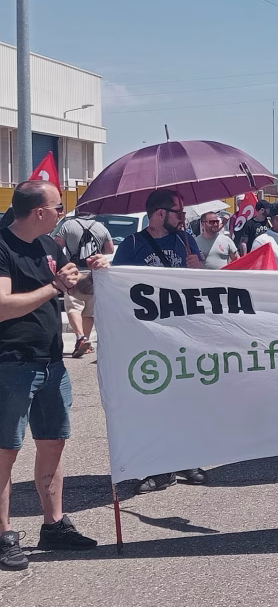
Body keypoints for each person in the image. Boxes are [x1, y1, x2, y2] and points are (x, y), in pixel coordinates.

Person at [0, 180, 103, 570]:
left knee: (53, 442)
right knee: (6, 450)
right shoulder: (2, 246)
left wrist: (96, 273)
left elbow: (70, 286)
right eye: (59, 208)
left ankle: (54, 524)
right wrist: (54, 286)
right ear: (39, 212)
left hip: (50, 361)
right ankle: (4, 534)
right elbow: (4, 306)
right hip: (11, 362)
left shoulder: (51, 247)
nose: (63, 215)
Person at [112, 188, 207, 494]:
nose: (184, 218)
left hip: (184, 332)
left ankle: (186, 458)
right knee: (154, 400)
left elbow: (200, 287)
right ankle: (156, 466)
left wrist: (198, 269)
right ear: (160, 214)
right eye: (178, 213)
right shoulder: (132, 244)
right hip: (147, 335)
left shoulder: (186, 240)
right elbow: (116, 286)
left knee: (186, 397)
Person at [54, 214, 114, 358]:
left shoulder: (68, 226)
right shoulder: (101, 227)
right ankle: (84, 342)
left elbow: (56, 246)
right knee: (89, 310)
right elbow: (110, 250)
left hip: (74, 271)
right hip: (95, 274)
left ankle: (81, 337)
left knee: (74, 306)